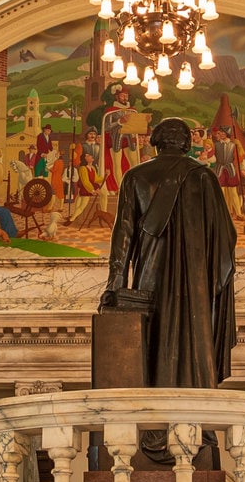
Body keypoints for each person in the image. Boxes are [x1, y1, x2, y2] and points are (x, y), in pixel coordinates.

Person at [101, 117, 237, 388]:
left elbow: (122, 236)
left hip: (149, 278)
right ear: (186, 144)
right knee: (195, 341)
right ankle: (195, 416)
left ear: (156, 143)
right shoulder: (204, 177)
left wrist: (115, 285)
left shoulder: (135, 176)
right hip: (197, 285)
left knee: (148, 345)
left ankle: (151, 423)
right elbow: (226, 241)